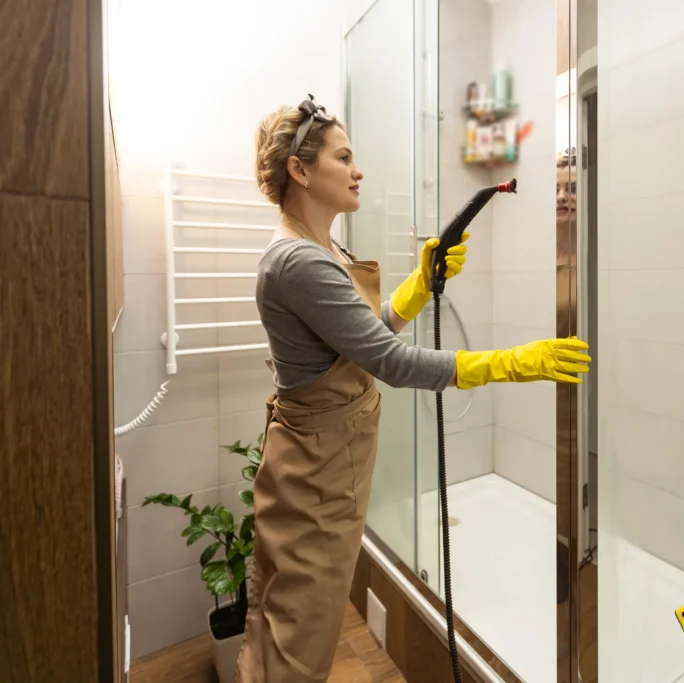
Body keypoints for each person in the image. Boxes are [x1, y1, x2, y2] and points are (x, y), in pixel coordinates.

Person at [234, 94, 592, 683]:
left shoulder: (324, 251)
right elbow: (389, 361)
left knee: (302, 625)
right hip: (315, 476)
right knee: (296, 638)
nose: (358, 170)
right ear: (299, 170)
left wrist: (417, 288)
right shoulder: (297, 261)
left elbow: (362, 342)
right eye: (344, 157)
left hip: (333, 465)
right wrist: (508, 363)